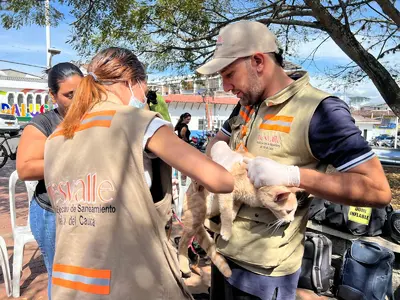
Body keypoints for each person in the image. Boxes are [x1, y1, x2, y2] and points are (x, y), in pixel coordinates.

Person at [197, 20, 392, 300]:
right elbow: (217, 140)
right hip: (223, 252)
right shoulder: (247, 105)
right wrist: (221, 152)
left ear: (258, 61)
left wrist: (294, 176)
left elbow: (378, 189)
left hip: (264, 274)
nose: (226, 86)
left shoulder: (321, 111)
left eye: (229, 74)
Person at [43, 47, 234, 299]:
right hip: (128, 282)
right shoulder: (139, 123)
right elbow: (220, 180)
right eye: (145, 90)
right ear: (132, 82)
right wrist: (224, 152)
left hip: (71, 283)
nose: (144, 99)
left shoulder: (57, 136)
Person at [16, 62, 84, 299]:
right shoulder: (44, 123)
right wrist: (74, 159)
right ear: (52, 95)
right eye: (69, 95)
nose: (77, 101)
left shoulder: (94, 117)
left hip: (89, 208)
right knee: (62, 277)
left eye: (82, 93)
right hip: (52, 212)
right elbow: (25, 168)